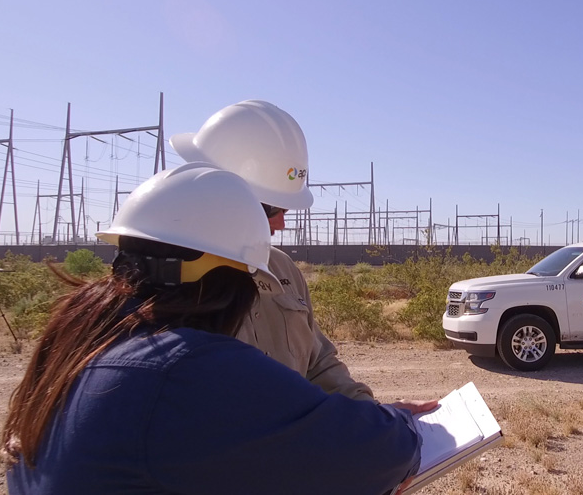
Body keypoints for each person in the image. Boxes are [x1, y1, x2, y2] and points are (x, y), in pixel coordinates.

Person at [3, 162, 422, 495]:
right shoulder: (187, 368)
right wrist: (396, 424)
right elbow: (379, 454)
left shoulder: (82, 338)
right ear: (227, 284)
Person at [171, 100, 435, 413]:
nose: (281, 224)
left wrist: (374, 418)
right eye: (273, 209)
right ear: (223, 196)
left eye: (284, 210)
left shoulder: (282, 268)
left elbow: (319, 363)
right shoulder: (167, 281)